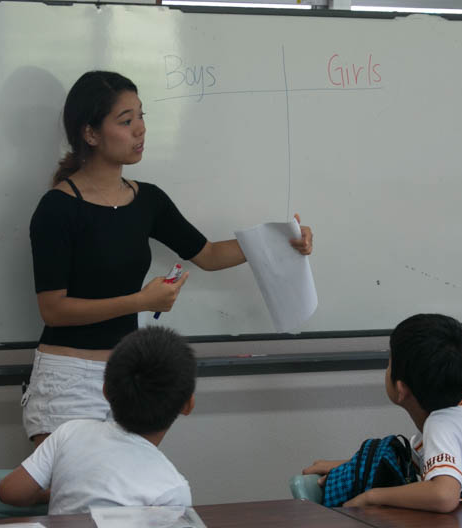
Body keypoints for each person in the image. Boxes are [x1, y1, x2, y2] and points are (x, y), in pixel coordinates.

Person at [23, 70, 313, 445]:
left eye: (141, 116)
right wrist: (141, 301)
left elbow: (207, 254)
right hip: (67, 378)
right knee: (71, 497)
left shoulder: (148, 200)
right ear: (90, 134)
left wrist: (281, 240)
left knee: (126, 496)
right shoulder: (57, 209)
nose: (140, 130)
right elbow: (54, 309)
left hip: (126, 378)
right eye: (126, 121)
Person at [303, 314, 462, 513]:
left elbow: (443, 496)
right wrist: (350, 464)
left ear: (401, 390)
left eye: (390, 363)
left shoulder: (440, 425)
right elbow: (423, 462)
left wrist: (373, 497)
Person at [0, 326, 196, 514]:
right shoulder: (172, 489)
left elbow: (10, 492)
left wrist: (54, 493)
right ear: (188, 405)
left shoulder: (71, 432)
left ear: (105, 392)